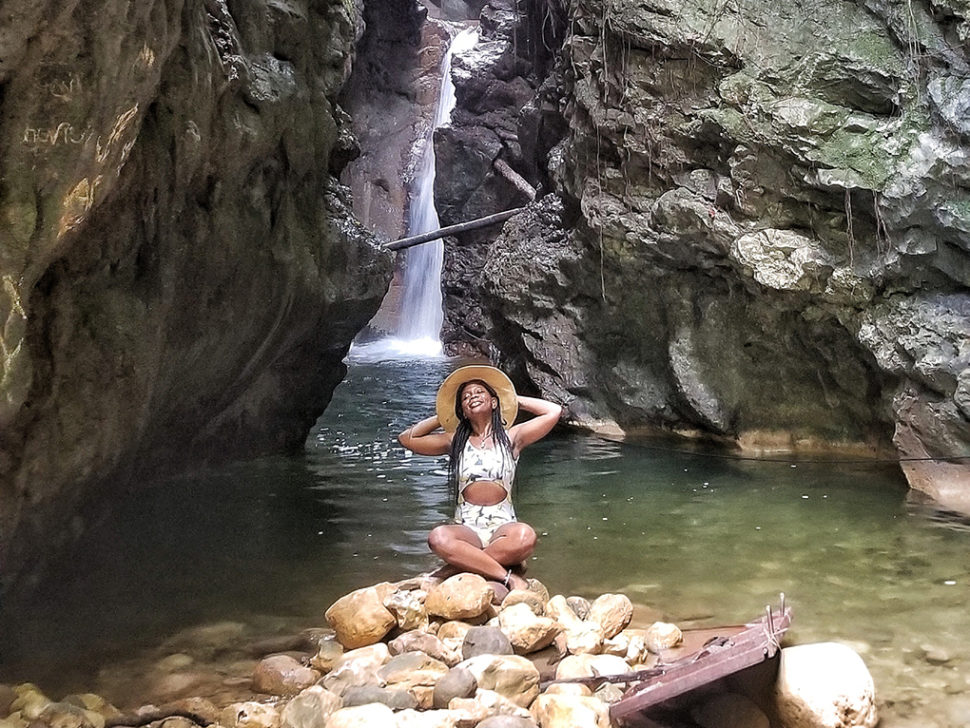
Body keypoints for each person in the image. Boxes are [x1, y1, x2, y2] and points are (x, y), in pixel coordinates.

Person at [398, 365, 562, 592]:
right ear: (462, 411)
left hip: (502, 525)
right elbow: (407, 438)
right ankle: (507, 577)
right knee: (438, 538)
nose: (472, 397)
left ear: (494, 402)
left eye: (479, 393)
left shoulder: (512, 437)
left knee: (526, 537)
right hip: (467, 527)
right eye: (465, 398)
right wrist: (442, 415)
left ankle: (455, 568)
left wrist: (511, 399)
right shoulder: (453, 440)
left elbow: (553, 411)